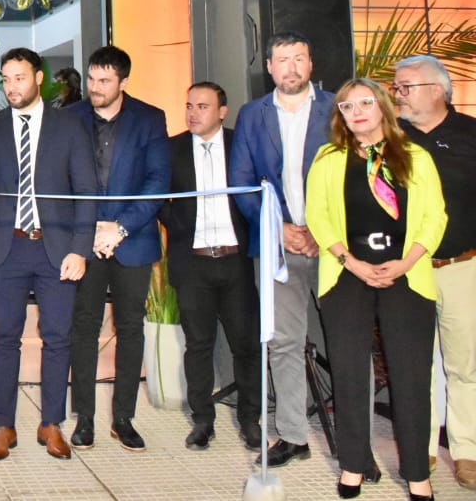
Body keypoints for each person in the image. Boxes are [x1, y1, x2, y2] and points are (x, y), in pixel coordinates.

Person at [305, 78, 446, 501]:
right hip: (348, 273)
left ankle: (417, 473)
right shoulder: (328, 158)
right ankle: (353, 465)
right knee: (349, 375)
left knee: (411, 377)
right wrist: (351, 261)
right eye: (347, 107)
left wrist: (406, 262)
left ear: (383, 107)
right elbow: (318, 215)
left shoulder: (416, 156)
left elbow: (435, 217)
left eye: (365, 103)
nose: (357, 112)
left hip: (407, 274)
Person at [0, 48, 95, 461]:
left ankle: (51, 423)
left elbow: (87, 192)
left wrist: (80, 250)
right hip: (6, 247)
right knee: (5, 338)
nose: (11, 87)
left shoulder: (69, 126)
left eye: (19, 78)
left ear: (38, 78)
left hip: (57, 248)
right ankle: (3, 426)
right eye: (6, 79)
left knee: (57, 338)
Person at [392, 54, 476, 490]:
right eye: (396, 87)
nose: (398, 95)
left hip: (464, 266)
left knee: (465, 365)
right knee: (414, 364)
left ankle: (467, 454)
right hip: (408, 270)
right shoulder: (389, 137)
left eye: (406, 87)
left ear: (437, 91)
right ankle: (419, 447)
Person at [229, 30, 334, 467]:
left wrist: (320, 233)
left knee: (345, 344)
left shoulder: (338, 109)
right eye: (283, 60)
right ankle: (292, 435)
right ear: (269, 67)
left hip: (334, 247)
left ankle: (357, 441)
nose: (291, 67)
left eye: (299, 58)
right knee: (284, 342)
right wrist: (278, 230)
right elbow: (242, 182)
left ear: (311, 63)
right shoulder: (252, 115)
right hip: (277, 246)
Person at [66, 45, 169, 453]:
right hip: (84, 240)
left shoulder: (150, 118)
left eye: (105, 81)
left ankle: (124, 418)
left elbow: (158, 181)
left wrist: (120, 227)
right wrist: (90, 227)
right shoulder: (69, 117)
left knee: (130, 329)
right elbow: (60, 177)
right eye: (92, 79)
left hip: (133, 240)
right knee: (84, 327)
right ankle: (85, 418)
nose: (95, 87)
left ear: (124, 82)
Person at [159, 82, 262, 451]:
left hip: (236, 261)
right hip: (193, 262)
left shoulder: (241, 145)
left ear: (222, 111)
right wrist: (177, 225)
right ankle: (203, 419)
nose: (193, 113)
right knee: (198, 345)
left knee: (246, 345)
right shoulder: (171, 149)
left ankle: (250, 419)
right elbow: (157, 195)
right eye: (189, 105)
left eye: (202, 106)